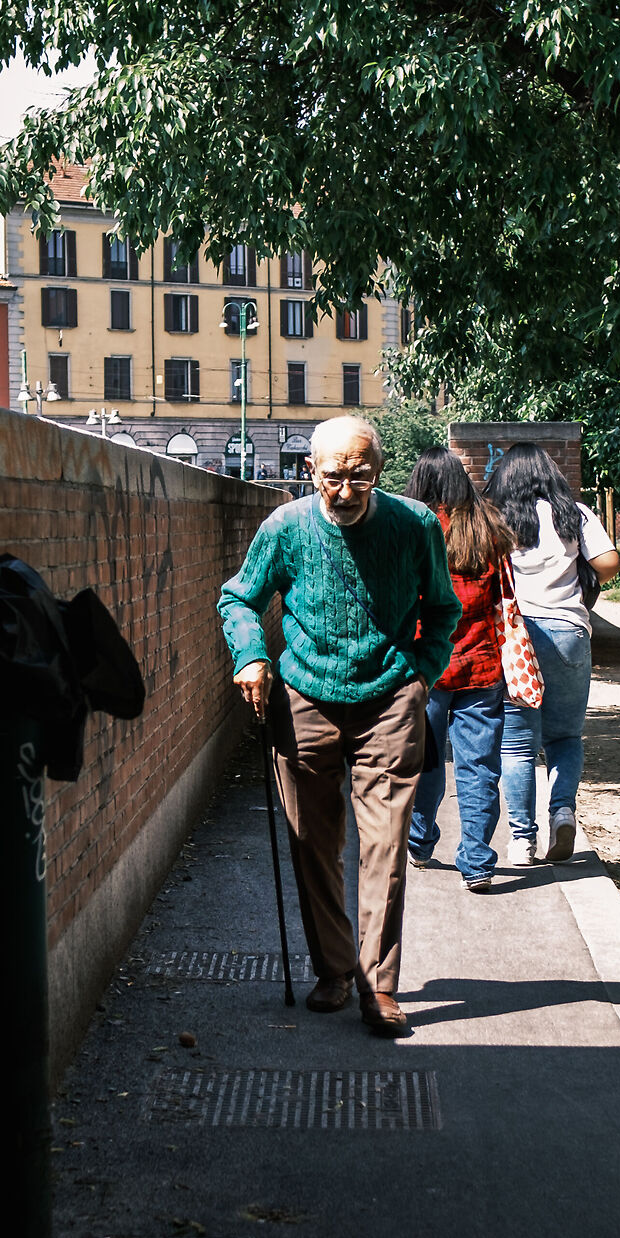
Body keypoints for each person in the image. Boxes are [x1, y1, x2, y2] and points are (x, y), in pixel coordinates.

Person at [217, 415, 461, 1035]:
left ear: (378, 472)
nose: (347, 491)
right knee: (314, 843)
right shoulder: (287, 528)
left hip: (389, 700)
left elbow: (442, 609)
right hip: (304, 700)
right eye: (333, 479)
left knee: (384, 845)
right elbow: (238, 597)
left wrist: (420, 677)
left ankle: (378, 985)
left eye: (361, 476)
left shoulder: (415, 526)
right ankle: (333, 968)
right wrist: (249, 655)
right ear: (311, 472)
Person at [489, 443, 619, 865]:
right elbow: (609, 563)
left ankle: (522, 840)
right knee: (564, 736)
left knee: (517, 746)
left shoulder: (496, 518)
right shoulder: (575, 514)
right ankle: (562, 813)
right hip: (568, 633)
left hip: (517, 637)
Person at [403, 450, 514, 891]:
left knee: (424, 761)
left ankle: (420, 837)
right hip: (482, 666)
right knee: (480, 767)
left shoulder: (409, 526)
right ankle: (478, 861)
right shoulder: (486, 526)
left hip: (424, 667)